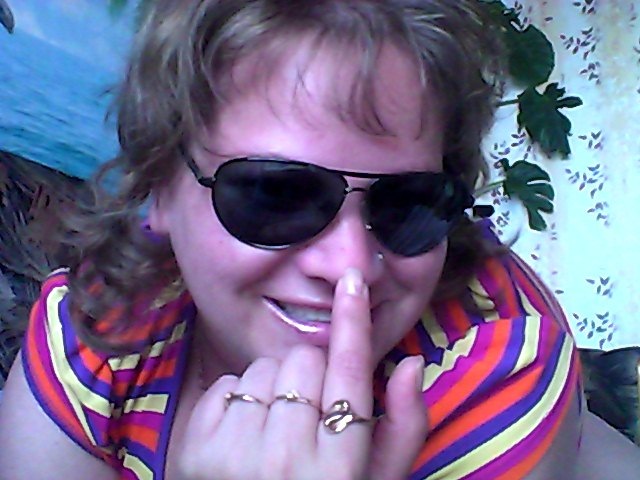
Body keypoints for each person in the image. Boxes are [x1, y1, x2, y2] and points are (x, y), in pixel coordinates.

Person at [0, 1, 639, 479]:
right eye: (274, 194)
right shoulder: (98, 332)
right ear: (161, 188)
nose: (350, 267)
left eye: (409, 203)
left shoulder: (497, 374)